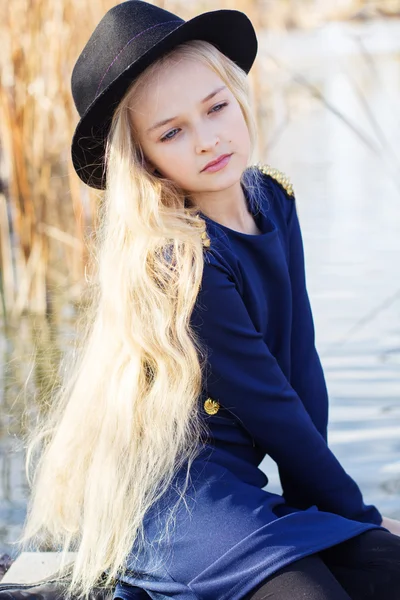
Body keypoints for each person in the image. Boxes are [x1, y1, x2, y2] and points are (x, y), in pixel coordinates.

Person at [14, 2, 400, 600]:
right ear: (144, 158)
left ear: (237, 92)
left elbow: (301, 366)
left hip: (240, 497)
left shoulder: (272, 197)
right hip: (180, 510)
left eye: (215, 107)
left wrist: (334, 519)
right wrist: (356, 513)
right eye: (172, 132)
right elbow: (271, 406)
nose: (207, 140)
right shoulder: (180, 261)